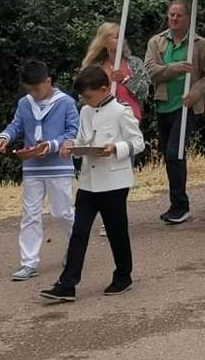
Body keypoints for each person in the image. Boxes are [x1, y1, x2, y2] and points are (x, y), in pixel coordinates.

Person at [40, 67, 145, 302]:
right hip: (89, 181)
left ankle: (123, 275)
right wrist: (71, 146)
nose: (85, 101)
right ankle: (67, 283)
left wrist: (116, 148)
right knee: (79, 231)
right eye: (83, 97)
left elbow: (138, 142)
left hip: (114, 182)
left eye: (88, 95)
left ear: (104, 89)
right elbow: (82, 138)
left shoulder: (121, 111)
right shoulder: (86, 111)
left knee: (117, 231)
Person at [0, 60, 79, 282]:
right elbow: (16, 125)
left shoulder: (66, 102)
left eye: (37, 88)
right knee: (30, 214)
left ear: (48, 81)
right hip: (32, 167)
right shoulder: (25, 103)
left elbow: (73, 131)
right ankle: (28, 262)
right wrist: (4, 136)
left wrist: (51, 145)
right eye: (29, 90)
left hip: (59, 165)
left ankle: (75, 249)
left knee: (63, 212)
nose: (34, 93)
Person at [145, 0, 205, 224]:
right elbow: (151, 71)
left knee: (175, 152)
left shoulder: (201, 45)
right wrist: (173, 69)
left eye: (179, 15)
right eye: (171, 15)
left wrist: (196, 92)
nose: (174, 19)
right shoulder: (156, 42)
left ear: (188, 18)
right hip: (163, 103)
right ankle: (176, 203)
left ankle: (180, 205)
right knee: (170, 156)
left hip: (186, 107)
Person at [81, 22, 151, 123]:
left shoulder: (134, 63)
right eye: (117, 37)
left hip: (130, 119)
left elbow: (144, 92)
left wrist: (125, 80)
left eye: (123, 36)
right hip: (102, 120)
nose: (122, 40)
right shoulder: (95, 67)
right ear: (105, 42)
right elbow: (84, 95)